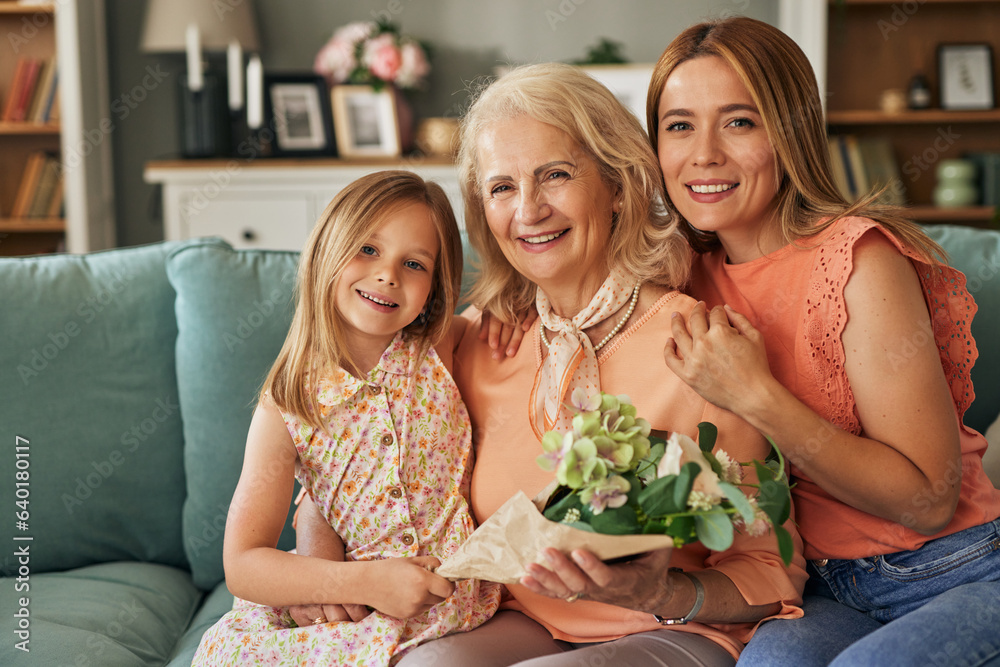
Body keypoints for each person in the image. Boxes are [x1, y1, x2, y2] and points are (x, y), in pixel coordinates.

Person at [298, 62, 808, 667]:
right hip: (521, 621)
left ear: (619, 185)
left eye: (555, 175)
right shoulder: (473, 344)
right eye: (502, 188)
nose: (529, 210)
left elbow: (770, 568)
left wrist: (661, 591)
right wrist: (314, 544)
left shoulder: (698, 347)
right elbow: (354, 428)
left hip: (665, 629)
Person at [648, 16, 1000, 666]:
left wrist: (756, 395)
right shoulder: (679, 274)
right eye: (679, 125)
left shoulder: (860, 261)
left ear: (790, 134)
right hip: (822, 585)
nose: (704, 154)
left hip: (955, 567)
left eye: (739, 121)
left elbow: (929, 498)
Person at [192, 171, 501, 666]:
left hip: (442, 594)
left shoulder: (441, 346)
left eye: (414, 263)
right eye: (368, 249)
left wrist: (512, 311)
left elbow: (512, 303)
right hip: (353, 597)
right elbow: (243, 562)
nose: (388, 275)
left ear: (435, 288)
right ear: (324, 254)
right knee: (227, 654)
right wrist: (359, 581)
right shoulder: (288, 404)